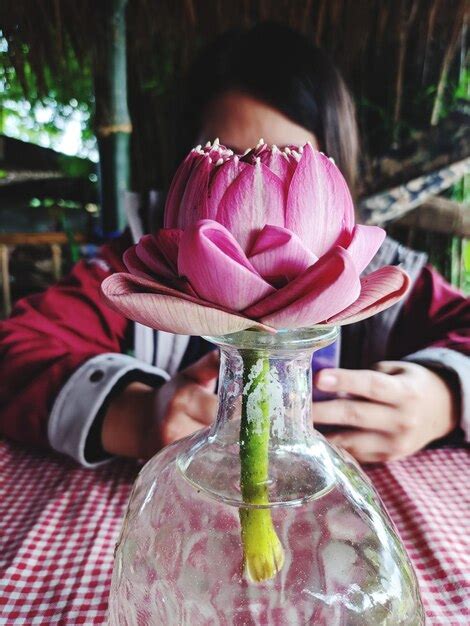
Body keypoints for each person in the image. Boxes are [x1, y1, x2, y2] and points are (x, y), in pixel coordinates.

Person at [0, 23, 468, 467]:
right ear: (187, 172)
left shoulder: (381, 274)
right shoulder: (134, 268)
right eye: (228, 158)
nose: (255, 189)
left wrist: (443, 396)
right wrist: (134, 414)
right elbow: (16, 348)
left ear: (333, 176)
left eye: (284, 159)